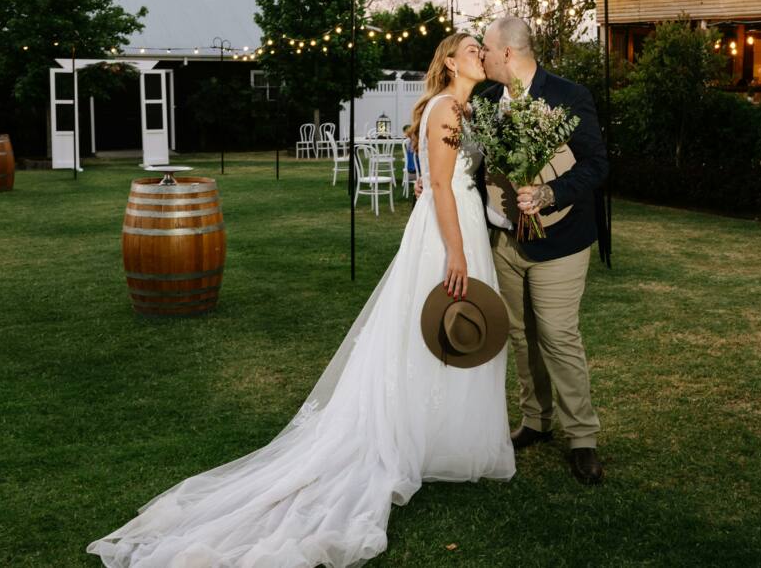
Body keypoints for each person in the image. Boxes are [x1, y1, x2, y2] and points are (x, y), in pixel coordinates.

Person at [88, 34, 513, 567]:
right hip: (449, 232)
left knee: (431, 335)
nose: (479, 51)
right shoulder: (448, 107)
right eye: (471, 47)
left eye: (482, 47)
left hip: (456, 223)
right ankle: (423, 437)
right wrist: (456, 252)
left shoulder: (462, 108)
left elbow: (441, 179)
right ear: (449, 61)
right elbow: (444, 187)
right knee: (441, 324)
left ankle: (439, 437)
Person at [477, 16, 609, 485]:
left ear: (508, 54)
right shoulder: (487, 101)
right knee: (519, 334)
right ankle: (535, 419)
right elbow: (477, 168)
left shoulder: (569, 96)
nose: (482, 57)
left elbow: (597, 165)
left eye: (486, 50)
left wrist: (550, 193)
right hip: (503, 242)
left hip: (561, 241)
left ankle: (582, 438)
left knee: (558, 336)